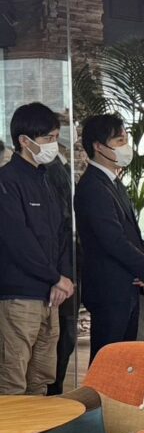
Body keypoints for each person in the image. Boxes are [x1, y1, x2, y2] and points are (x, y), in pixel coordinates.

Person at [0, 102, 74, 394]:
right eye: (47, 138)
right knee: (12, 378)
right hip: (19, 296)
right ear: (24, 140)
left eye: (55, 137)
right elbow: (18, 240)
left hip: (51, 295)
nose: (53, 144)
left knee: (42, 378)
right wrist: (54, 277)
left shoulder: (47, 179)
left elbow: (62, 233)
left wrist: (63, 278)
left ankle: (37, 427)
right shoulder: (7, 181)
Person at [75, 114, 144, 362]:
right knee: (107, 360)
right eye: (119, 141)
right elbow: (112, 238)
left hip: (126, 284)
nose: (125, 147)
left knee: (124, 358)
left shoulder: (113, 182)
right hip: (108, 287)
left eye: (125, 140)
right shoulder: (92, 186)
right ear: (99, 147)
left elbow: (133, 232)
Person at [44, 143, 77, 394]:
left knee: (63, 336)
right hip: (53, 273)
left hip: (64, 271)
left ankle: (53, 392)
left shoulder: (58, 167)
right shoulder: (48, 169)